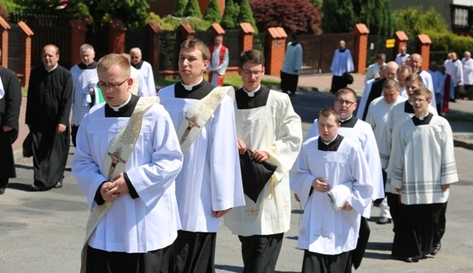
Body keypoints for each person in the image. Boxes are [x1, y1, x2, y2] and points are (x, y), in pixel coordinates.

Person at [72, 53, 183, 272]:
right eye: (102, 84)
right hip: (107, 219)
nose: (107, 91)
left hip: (144, 222)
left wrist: (131, 182)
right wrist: (98, 186)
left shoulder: (154, 115)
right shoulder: (93, 117)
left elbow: (171, 160)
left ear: (130, 82)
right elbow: (82, 161)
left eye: (113, 84)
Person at [158, 38, 245, 272]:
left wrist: (223, 196)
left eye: (191, 59)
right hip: (167, 185)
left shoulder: (218, 99)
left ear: (205, 64)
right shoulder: (163, 96)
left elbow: (224, 151)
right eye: (181, 58)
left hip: (201, 190)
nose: (185, 63)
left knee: (196, 251)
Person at [224, 49, 303, 272]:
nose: (252, 77)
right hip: (242, 178)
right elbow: (216, 133)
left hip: (268, 181)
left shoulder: (279, 100)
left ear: (264, 71)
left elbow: (293, 137)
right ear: (239, 71)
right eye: (248, 72)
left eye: (257, 72)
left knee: (263, 245)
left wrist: (270, 152)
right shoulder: (228, 101)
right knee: (249, 245)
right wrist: (231, 142)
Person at [305, 88, 384, 269]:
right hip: (321, 194)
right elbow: (306, 156)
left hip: (350, 194)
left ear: (355, 106)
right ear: (334, 102)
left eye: (348, 102)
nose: (343, 105)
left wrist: (368, 197)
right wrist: (306, 184)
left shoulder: (363, 129)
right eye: (340, 101)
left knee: (352, 234)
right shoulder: (320, 123)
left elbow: (371, 163)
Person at [290, 107, 373, 273]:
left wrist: (353, 201)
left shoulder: (351, 148)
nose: (325, 130)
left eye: (329, 126)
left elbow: (364, 182)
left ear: (338, 125)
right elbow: (297, 173)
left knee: (339, 258)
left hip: (342, 212)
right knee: (314, 256)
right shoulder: (309, 147)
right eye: (321, 125)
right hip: (317, 209)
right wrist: (311, 182)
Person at [390, 87, 458, 263]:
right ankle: (414, 250)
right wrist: (396, 180)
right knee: (413, 217)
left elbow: (448, 151)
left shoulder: (441, 124)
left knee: (434, 218)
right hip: (411, 180)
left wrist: (447, 177)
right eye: (414, 100)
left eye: (421, 100)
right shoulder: (404, 126)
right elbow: (397, 154)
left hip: (435, 179)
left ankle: (430, 245)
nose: (417, 103)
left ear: (429, 101)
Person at [379, 74, 438, 231]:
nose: (411, 90)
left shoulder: (431, 112)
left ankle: (419, 239)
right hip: (397, 163)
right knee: (394, 203)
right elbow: (387, 135)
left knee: (417, 206)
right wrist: (384, 161)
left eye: (414, 87)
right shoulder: (397, 109)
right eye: (408, 87)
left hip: (420, 166)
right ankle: (400, 235)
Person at [26, 44, 72, 191]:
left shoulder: (65, 75)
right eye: (44, 55)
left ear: (57, 57)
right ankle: (39, 180)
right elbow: (31, 97)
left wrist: (63, 121)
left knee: (56, 153)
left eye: (50, 55)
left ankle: (57, 178)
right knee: (38, 149)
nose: (47, 58)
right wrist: (29, 119)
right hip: (38, 120)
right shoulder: (35, 73)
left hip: (57, 121)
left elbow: (67, 100)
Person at [365, 80, 405, 225]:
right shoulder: (375, 104)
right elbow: (368, 127)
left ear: (398, 91)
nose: (388, 98)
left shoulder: (404, 105)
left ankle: (386, 212)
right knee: (379, 183)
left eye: (391, 95)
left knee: (392, 184)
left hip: (398, 151)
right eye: (385, 95)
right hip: (379, 150)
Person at [0, 47, 22, 195]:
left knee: (2, 154)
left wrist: (10, 123)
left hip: (2, 125)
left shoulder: (9, 76)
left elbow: (14, 101)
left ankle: (1, 181)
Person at [70, 44, 98, 147]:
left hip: (94, 108)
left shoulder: (100, 69)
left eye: (87, 55)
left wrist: (95, 90)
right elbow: (71, 90)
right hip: (78, 110)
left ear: (93, 55)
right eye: (83, 56)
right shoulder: (74, 70)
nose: (85, 58)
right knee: (77, 140)